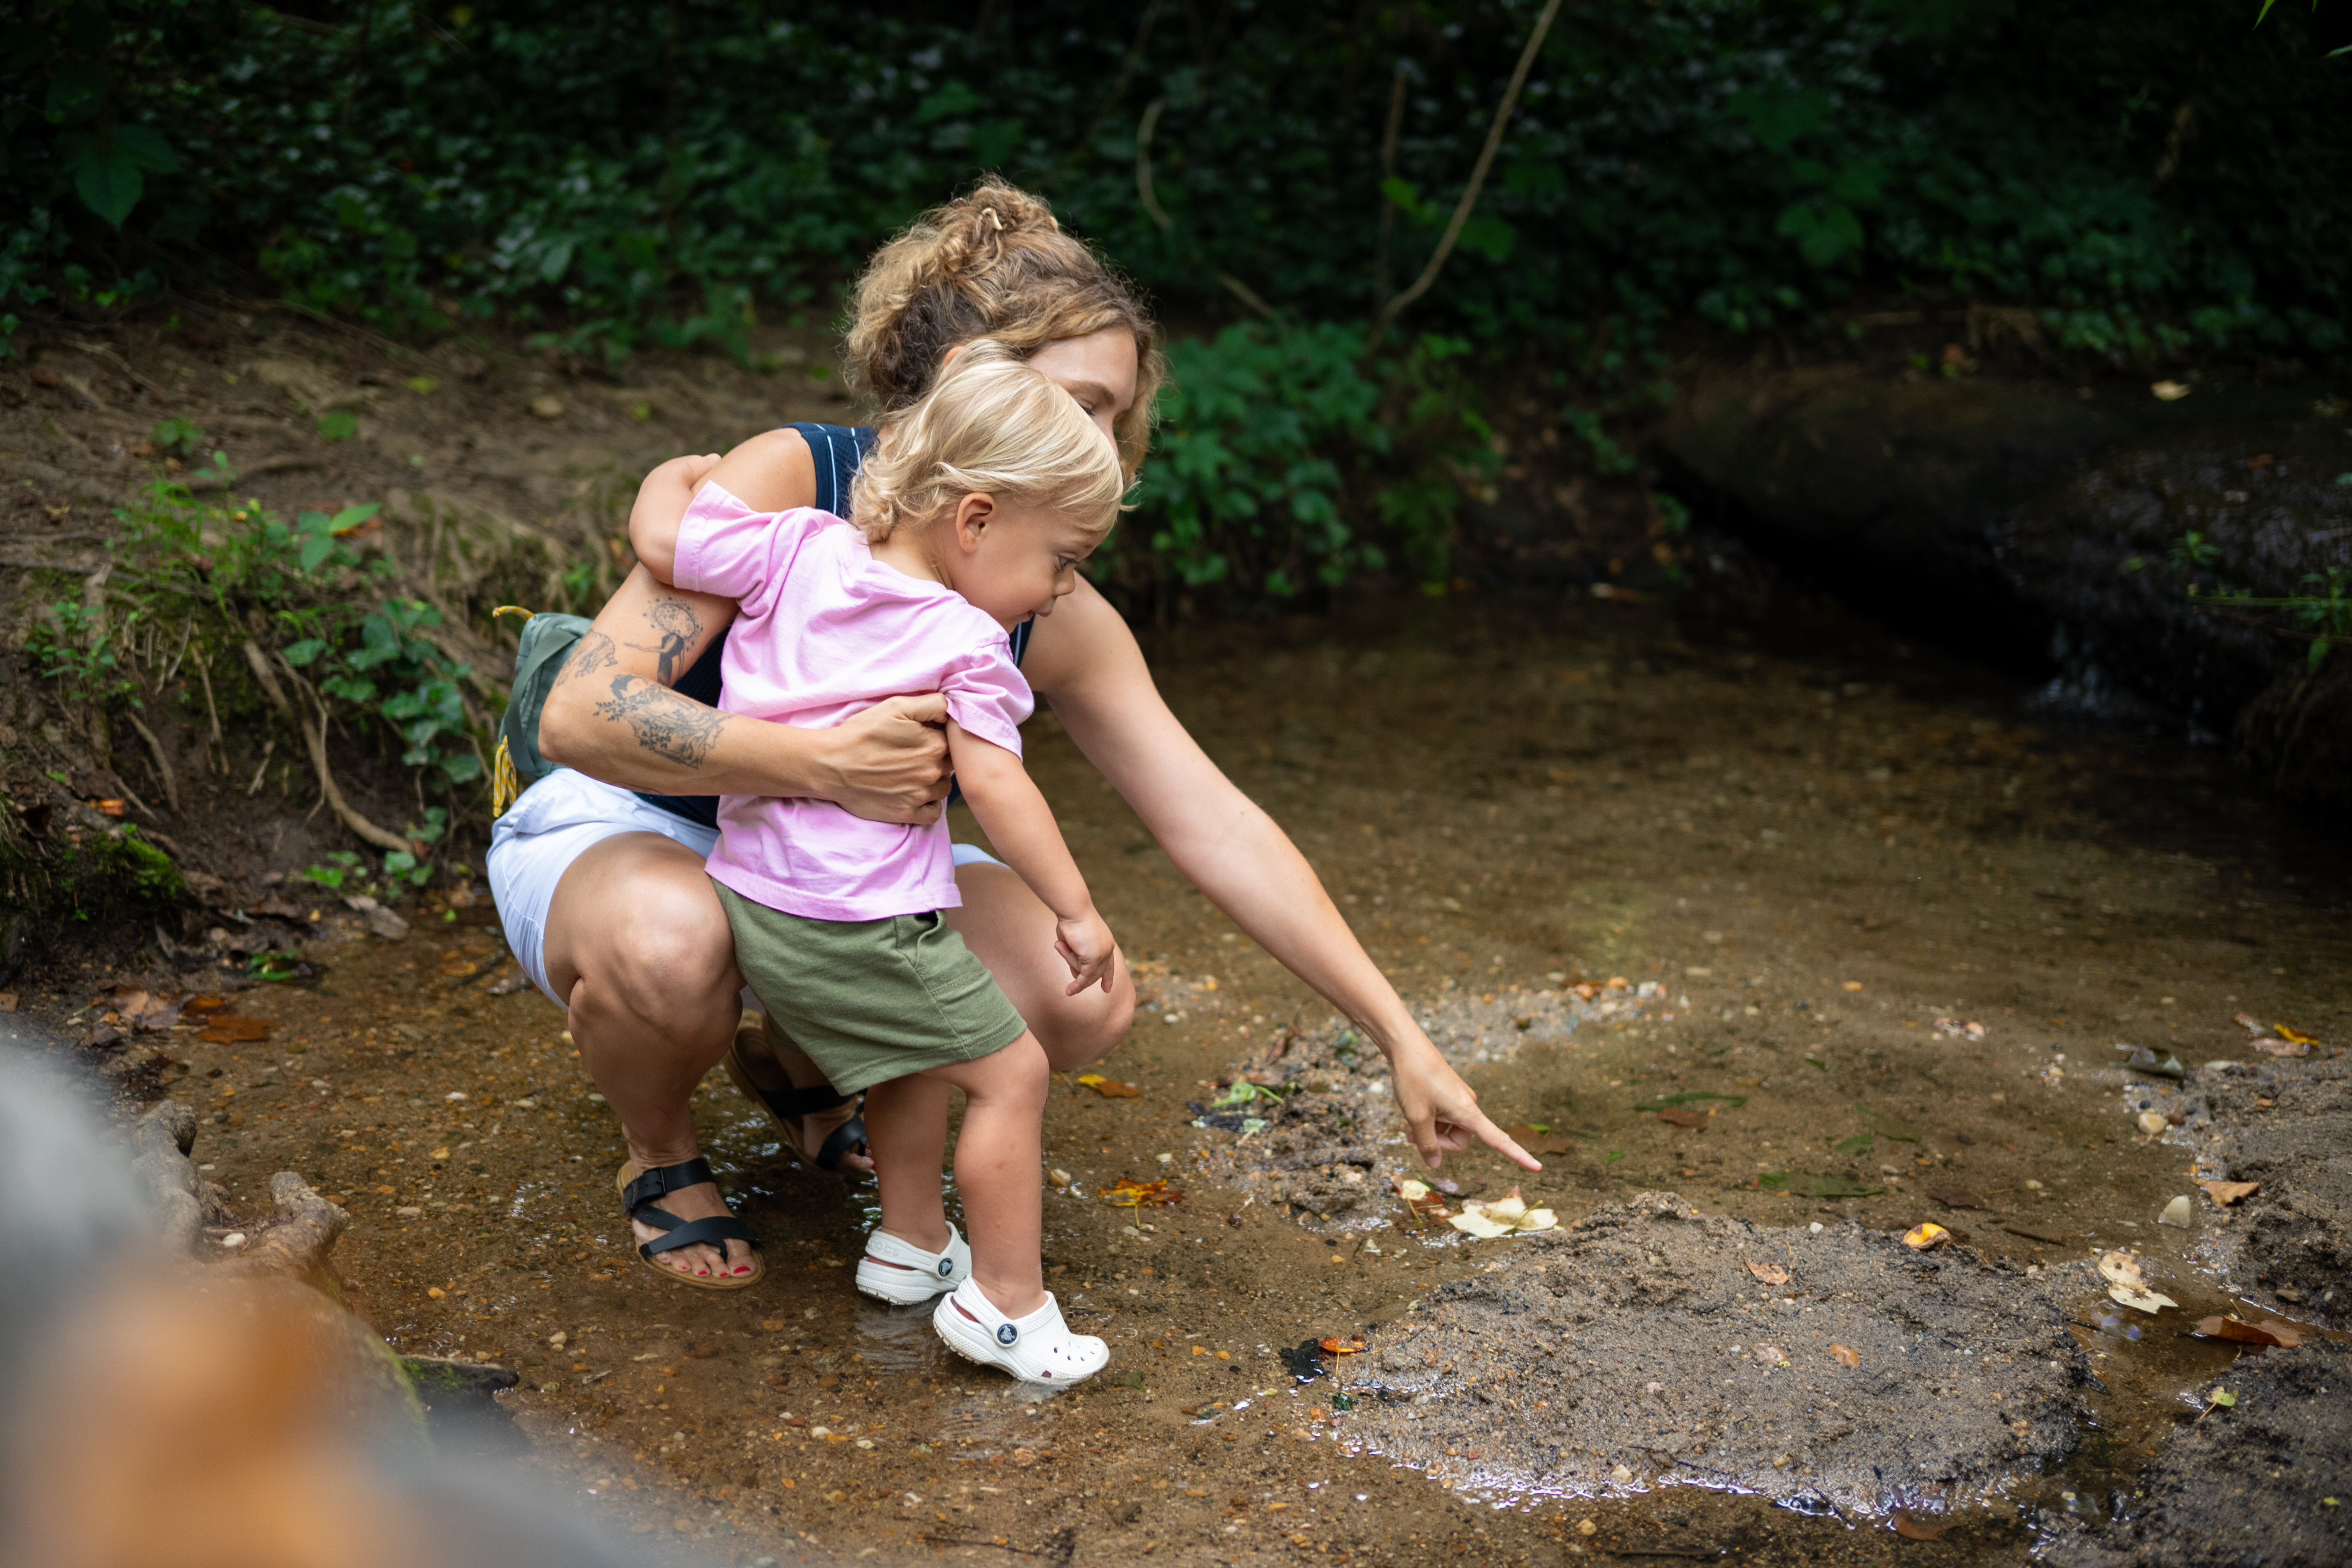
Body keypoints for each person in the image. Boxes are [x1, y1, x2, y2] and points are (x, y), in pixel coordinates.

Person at [500, 179, 1533, 1286]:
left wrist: (1401, 1039)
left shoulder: (1045, 603)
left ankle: (799, 1057)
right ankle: (659, 1151)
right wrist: (816, 764)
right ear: (965, 386)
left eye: (1116, 416)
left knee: (1075, 991)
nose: (1111, 446)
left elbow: (1216, 824)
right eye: (1081, 405)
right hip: (639, 827)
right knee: (672, 947)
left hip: (842, 868)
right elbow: (581, 714)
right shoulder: (800, 482)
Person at [632, 344, 1122, 1376]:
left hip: (763, 904)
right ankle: (1006, 1305)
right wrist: (1074, 907)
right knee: (1010, 1073)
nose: (1061, 591)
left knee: (922, 1047)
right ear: (977, 519)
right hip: (859, 918)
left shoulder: (799, 546)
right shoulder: (965, 640)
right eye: (1062, 561)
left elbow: (672, 541)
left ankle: (911, 1245)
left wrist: (668, 477)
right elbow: (999, 787)